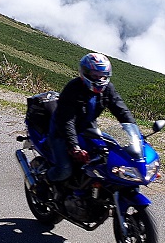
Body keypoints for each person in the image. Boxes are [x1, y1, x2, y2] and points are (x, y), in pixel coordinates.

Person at [44, 52, 136, 187]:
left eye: (102, 75)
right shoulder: (73, 89)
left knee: (109, 160)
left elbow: (121, 110)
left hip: (88, 129)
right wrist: (74, 146)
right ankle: (44, 182)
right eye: (95, 75)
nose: (99, 79)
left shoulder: (108, 89)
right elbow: (67, 120)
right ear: (85, 73)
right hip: (61, 132)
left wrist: (135, 133)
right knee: (64, 170)